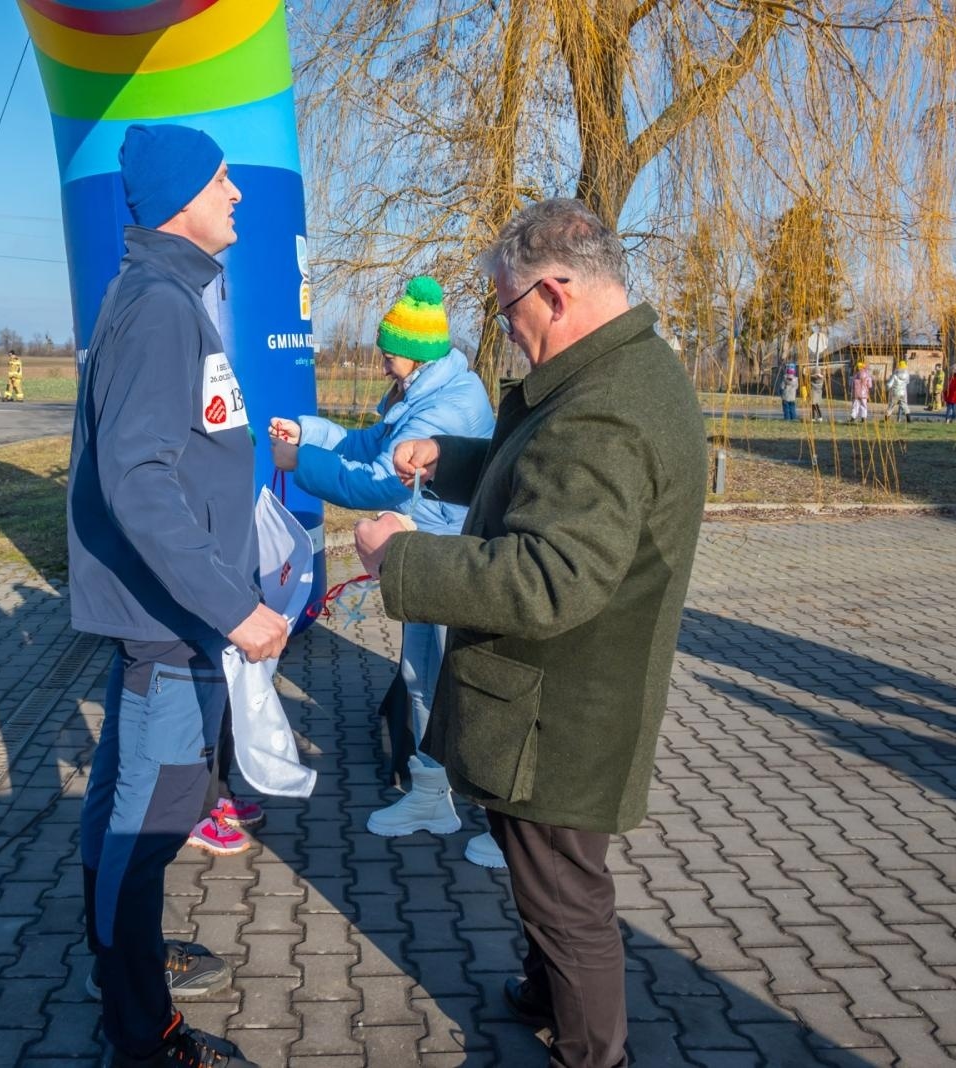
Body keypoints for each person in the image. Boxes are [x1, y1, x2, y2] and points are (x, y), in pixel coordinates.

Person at [353, 199, 705, 1067]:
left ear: (553, 291)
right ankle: (546, 991)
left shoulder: (604, 409)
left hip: (562, 710)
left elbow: (551, 576)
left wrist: (402, 560)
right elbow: (542, 479)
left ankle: (594, 1053)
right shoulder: (613, 376)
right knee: (541, 872)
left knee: (564, 894)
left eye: (506, 309)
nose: (505, 331)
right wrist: (453, 457)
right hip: (562, 696)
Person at [67, 122, 282, 1068]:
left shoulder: (163, 294)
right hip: (173, 626)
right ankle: (141, 1034)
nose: (238, 194)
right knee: (151, 826)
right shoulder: (160, 306)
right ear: (182, 198)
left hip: (162, 619)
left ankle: (126, 968)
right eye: (224, 180)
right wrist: (231, 606)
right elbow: (138, 477)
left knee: (123, 806)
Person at [268, 275, 503, 869]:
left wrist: (301, 464)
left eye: (388, 345)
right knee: (420, 674)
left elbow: (377, 478)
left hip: (455, 560)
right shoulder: (419, 388)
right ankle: (431, 797)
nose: (381, 355)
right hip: (423, 555)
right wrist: (310, 431)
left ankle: (509, 827)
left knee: (468, 687)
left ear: (416, 350)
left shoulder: (447, 404)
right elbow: (371, 440)